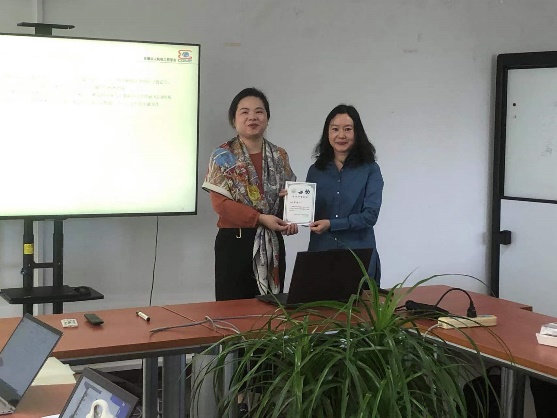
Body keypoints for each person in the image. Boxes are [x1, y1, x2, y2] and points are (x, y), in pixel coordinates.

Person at [203, 87, 298, 301]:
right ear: (234, 119)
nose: (252, 117)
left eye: (259, 111)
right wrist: (260, 218)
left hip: (272, 242)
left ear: (267, 118)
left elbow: (288, 196)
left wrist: (291, 219)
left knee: (271, 308)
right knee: (234, 311)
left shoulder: (279, 155)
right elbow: (220, 205)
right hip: (234, 243)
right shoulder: (222, 155)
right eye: (244, 112)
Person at [306, 104, 383, 284]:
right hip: (321, 254)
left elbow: (370, 216)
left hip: (359, 256)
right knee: (320, 302)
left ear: (357, 133)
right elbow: (309, 214)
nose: (341, 135)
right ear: (327, 133)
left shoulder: (370, 169)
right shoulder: (315, 170)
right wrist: (291, 203)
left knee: (362, 303)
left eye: (347, 129)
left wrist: (332, 224)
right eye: (335, 129)